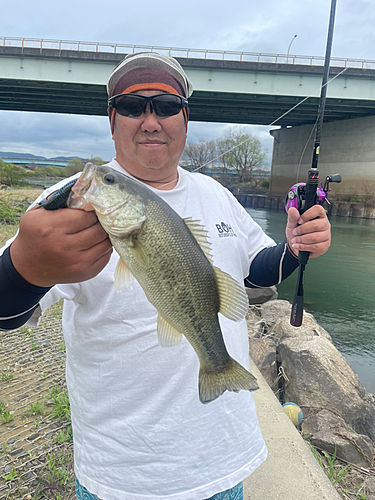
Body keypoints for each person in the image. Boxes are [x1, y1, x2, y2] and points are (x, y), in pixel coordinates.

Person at [0, 53, 331, 500]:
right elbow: (7, 312)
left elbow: (256, 269)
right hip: (123, 476)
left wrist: (295, 246)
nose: (150, 120)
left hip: (223, 459)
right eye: (133, 107)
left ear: (185, 119)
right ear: (112, 120)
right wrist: (26, 265)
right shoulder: (67, 206)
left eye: (166, 106)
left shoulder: (214, 192)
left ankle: (218, 369)